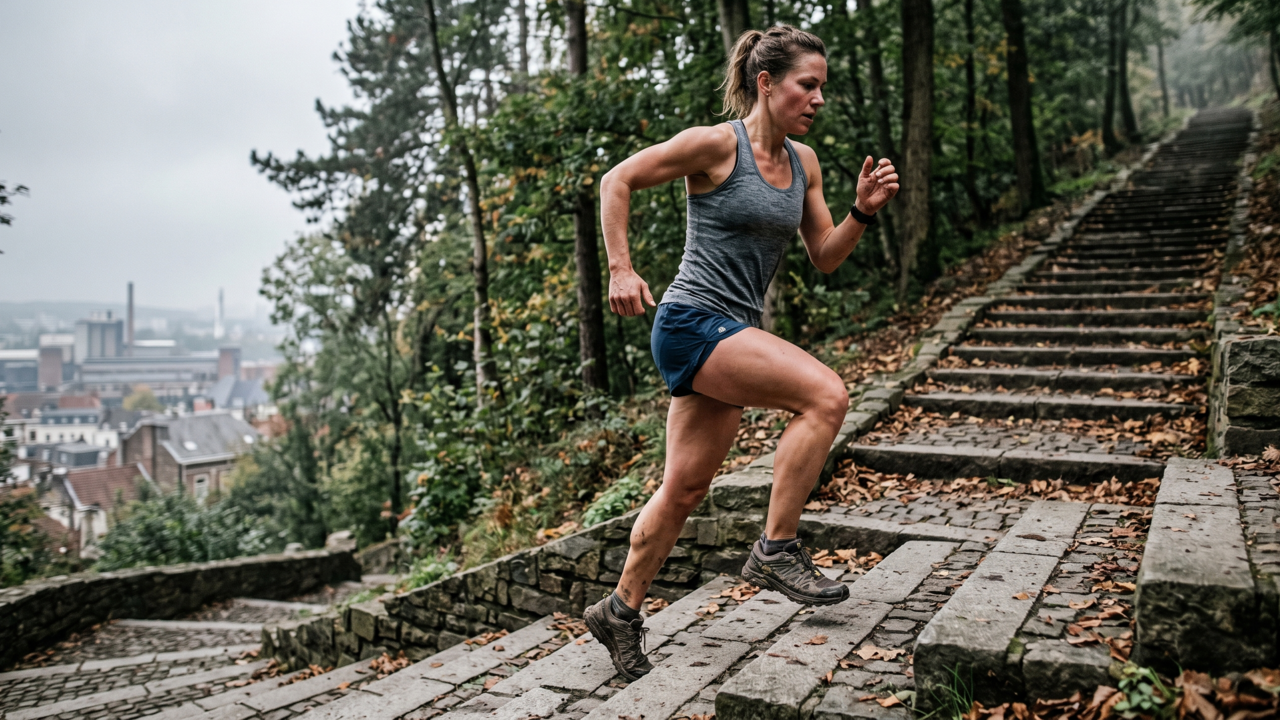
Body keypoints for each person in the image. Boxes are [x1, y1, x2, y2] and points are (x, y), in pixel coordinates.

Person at [583, 24, 899, 681]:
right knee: (827, 395)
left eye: (823, 89)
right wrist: (620, 267)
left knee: (684, 488)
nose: (818, 99)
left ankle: (618, 611)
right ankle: (777, 548)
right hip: (692, 322)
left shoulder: (804, 163)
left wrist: (861, 213)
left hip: (729, 332)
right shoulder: (715, 147)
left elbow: (826, 257)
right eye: (806, 85)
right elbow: (617, 180)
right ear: (765, 82)